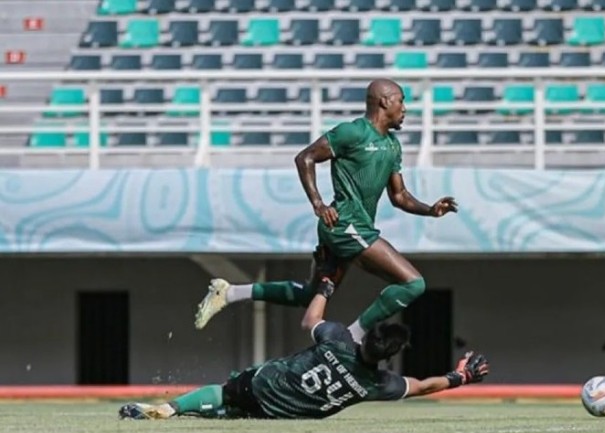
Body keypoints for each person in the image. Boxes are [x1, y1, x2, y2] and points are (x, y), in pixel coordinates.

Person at [194, 79, 458, 343]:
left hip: (353, 227)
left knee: (311, 295)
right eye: (401, 100)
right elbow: (305, 157)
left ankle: (228, 293)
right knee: (414, 284)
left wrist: (430, 210)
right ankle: (353, 337)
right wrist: (318, 204)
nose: (405, 108)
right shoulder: (351, 133)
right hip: (345, 224)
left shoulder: (392, 145)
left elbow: (399, 196)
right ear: (385, 101)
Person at [120, 279, 489, 421]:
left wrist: (325, 289)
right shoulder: (376, 385)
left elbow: (310, 318)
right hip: (283, 413)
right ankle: (198, 411)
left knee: (228, 391)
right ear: (387, 359)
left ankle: (172, 407)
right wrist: (461, 376)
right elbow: (423, 386)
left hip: (266, 383)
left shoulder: (338, 340)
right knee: (231, 411)